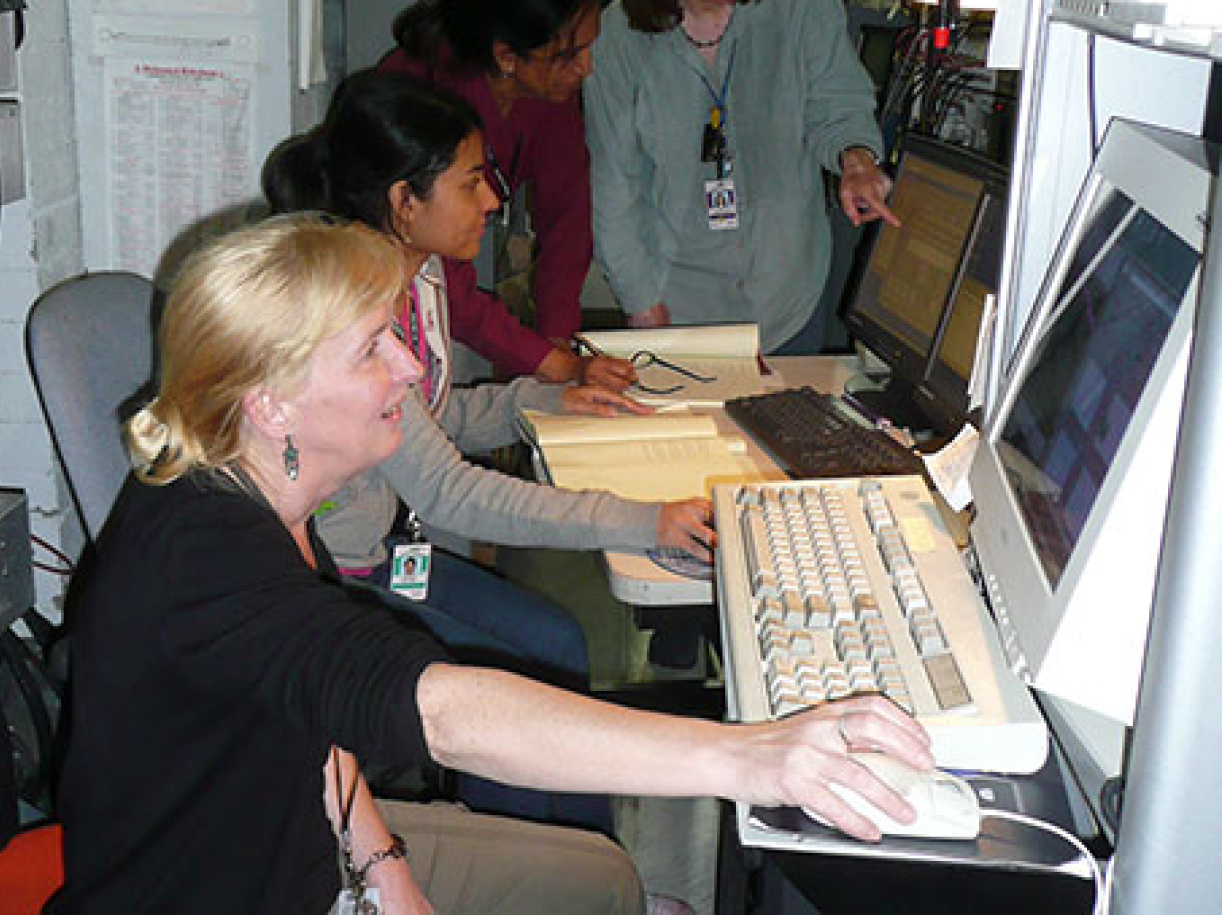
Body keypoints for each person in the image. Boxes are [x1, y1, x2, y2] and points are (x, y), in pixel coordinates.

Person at [53, 214, 935, 914]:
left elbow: (313, 717)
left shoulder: (259, 495)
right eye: (372, 348)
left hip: (301, 836)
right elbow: (440, 714)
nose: (407, 366)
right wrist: (750, 760)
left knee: (604, 880)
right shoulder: (199, 555)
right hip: (221, 891)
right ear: (271, 404)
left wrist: (384, 865)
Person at [263, 70, 713, 830]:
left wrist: (542, 400)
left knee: (556, 641)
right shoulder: (350, 312)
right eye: (472, 182)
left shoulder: (422, 275)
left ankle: (579, 867)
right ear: (406, 203)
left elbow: (429, 422)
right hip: (335, 579)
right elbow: (450, 492)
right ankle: (544, 863)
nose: (493, 201)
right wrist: (646, 522)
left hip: (382, 552)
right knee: (519, 674)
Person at [584, 0, 900, 357]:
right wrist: (640, 299)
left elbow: (837, 108)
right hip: (679, 302)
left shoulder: (804, 6)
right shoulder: (618, 38)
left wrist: (856, 161)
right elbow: (616, 184)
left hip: (789, 295)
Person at [383, 0, 634, 391]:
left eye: (589, 48)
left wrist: (557, 337)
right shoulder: (423, 99)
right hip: (389, 300)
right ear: (507, 56)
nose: (587, 68)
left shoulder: (546, 93)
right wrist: (554, 365)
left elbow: (567, 218)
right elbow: (451, 290)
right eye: (569, 55)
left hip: (444, 291)